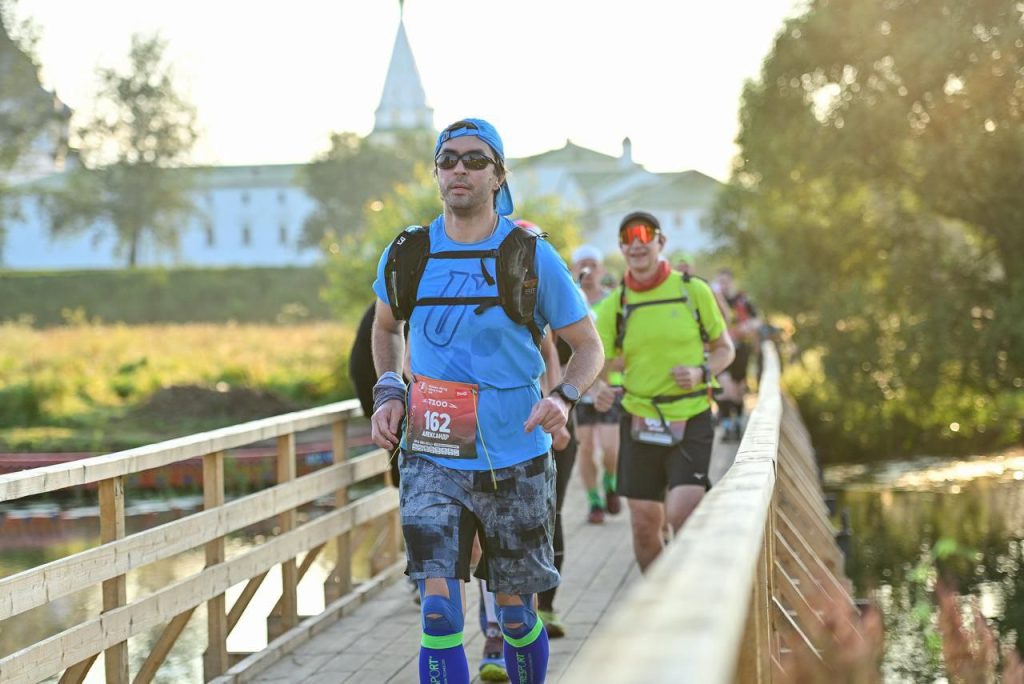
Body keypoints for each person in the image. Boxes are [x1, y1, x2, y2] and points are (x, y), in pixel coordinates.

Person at [369, 118, 604, 684]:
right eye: (448, 159)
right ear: (435, 171)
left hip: (513, 457)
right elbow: (385, 329)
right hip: (432, 453)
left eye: (476, 160)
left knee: (517, 613)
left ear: (499, 176)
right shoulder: (410, 253)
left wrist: (566, 396)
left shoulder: (528, 255)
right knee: (439, 609)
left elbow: (588, 346)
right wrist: (389, 387)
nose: (459, 170)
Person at [593, 211, 734, 572]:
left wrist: (701, 372)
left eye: (645, 235)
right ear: (621, 247)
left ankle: (692, 597)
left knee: (682, 515)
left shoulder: (692, 290)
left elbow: (725, 349)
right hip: (640, 421)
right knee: (643, 526)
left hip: (691, 417)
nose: (637, 243)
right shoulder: (615, 305)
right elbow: (596, 361)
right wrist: (598, 390)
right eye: (628, 237)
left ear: (661, 242)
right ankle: (657, 605)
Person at [568, 244, 622, 525]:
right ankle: (594, 502)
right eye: (581, 265)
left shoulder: (613, 302)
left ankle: (611, 483)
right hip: (579, 387)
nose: (587, 271)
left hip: (609, 386)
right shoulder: (568, 300)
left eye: (592, 265)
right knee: (586, 447)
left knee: (612, 448)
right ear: (574, 269)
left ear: (601, 269)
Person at [712, 268, 761, 442]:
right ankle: (727, 427)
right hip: (721, 351)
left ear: (731, 283)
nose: (723, 286)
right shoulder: (711, 302)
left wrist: (748, 326)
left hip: (741, 350)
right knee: (724, 388)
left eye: (726, 282)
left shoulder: (742, 300)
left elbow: (756, 319)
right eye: (720, 282)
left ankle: (738, 423)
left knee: (738, 390)